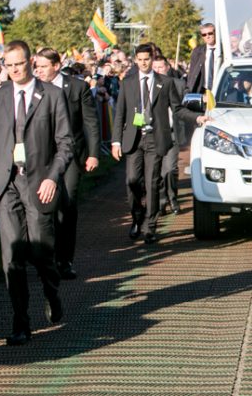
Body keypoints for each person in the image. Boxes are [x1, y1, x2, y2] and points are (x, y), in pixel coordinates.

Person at [0, 40, 74, 346]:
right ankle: (20, 321)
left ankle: (52, 293)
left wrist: (53, 177)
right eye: (9, 65)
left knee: (42, 254)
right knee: (12, 257)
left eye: (19, 64)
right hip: (7, 185)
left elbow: (65, 143)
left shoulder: (52, 95)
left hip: (39, 183)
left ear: (30, 62)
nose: (14, 70)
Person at [111, 44, 208, 244]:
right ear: (135, 60)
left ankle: (150, 225)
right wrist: (115, 141)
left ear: (152, 60)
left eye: (147, 59)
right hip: (134, 138)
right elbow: (120, 113)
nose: (144, 62)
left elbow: (178, 109)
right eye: (140, 59)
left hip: (155, 138)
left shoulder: (165, 83)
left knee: (152, 181)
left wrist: (197, 118)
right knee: (132, 180)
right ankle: (137, 217)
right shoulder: (128, 83)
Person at [33, 48, 101, 280]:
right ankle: (46, 256)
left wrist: (93, 153)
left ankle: (65, 260)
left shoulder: (77, 87)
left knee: (67, 206)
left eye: (43, 66)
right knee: (44, 205)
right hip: (43, 156)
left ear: (56, 65)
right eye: (37, 66)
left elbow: (90, 122)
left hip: (71, 155)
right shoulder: (34, 89)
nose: (38, 71)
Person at [152, 56, 182, 214]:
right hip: (153, 135)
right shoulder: (147, 86)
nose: (158, 70)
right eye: (154, 67)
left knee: (169, 169)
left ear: (167, 68)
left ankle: (172, 197)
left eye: (160, 67)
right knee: (156, 171)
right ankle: (162, 200)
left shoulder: (178, 84)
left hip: (172, 134)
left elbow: (184, 106)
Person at [186, 23, 221, 94]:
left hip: (221, 90)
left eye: (210, 33)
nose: (207, 36)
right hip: (203, 91)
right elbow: (192, 73)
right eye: (204, 35)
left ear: (215, 33)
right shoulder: (197, 52)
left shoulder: (223, 50)